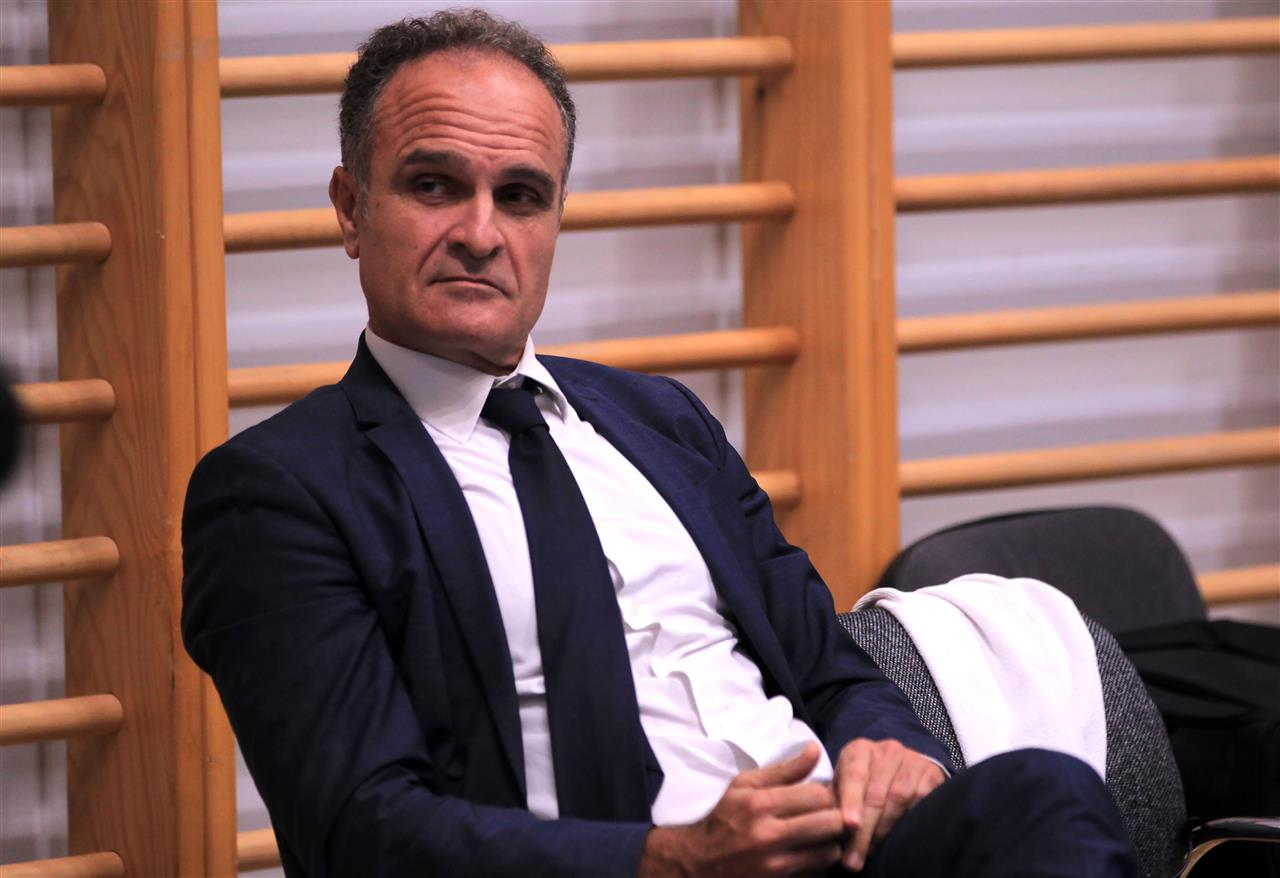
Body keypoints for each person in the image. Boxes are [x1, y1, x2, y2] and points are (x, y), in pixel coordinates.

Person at [181, 10, 1136, 878]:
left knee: (1044, 794)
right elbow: (361, 830)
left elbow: (831, 670)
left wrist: (890, 750)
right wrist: (672, 861)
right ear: (351, 207)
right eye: (434, 186)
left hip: (838, 848)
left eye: (521, 196)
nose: (480, 232)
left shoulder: (659, 420)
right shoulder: (278, 491)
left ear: (556, 219)